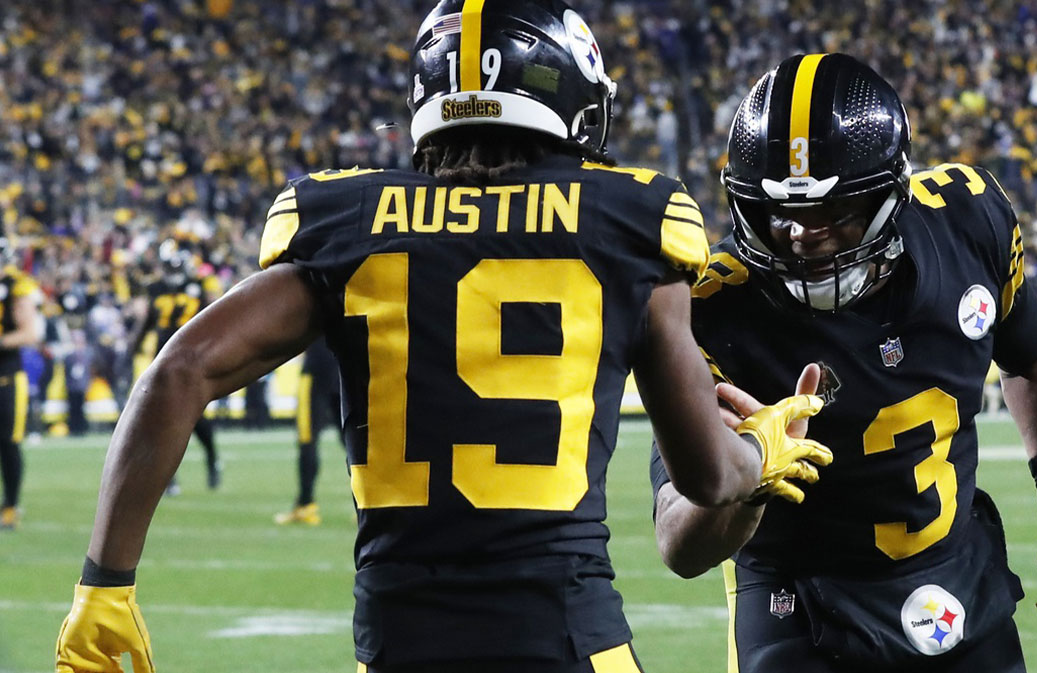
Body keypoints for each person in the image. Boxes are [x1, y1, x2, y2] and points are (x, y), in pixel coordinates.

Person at [54, 3, 833, 672]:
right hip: (565, 638)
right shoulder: (628, 223)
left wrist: (104, 583)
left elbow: (179, 370)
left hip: (397, 644)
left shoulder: (350, 225)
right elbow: (707, 476)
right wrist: (759, 452)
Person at [650, 53, 1037, 673]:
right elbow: (678, 546)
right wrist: (747, 479)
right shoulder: (706, 305)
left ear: (887, 196)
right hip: (802, 603)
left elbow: (1036, 357)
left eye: (830, 213)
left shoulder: (967, 219)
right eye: (779, 212)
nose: (799, 234)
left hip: (959, 579)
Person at [131, 248, 221, 493]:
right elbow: (148, 321)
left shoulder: (197, 287)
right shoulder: (157, 288)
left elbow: (214, 319)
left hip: (190, 360)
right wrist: (133, 348)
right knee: (162, 417)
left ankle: (213, 459)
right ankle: (169, 478)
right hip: (162, 361)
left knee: (194, 417)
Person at [275, 335, 343, 526]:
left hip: (315, 369)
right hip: (341, 367)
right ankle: (371, 505)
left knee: (307, 439)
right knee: (353, 439)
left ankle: (305, 504)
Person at [0, 243, 42, 530]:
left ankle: (11, 507)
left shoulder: (15, 285)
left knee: (7, 443)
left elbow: (31, 332)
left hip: (6, 373)